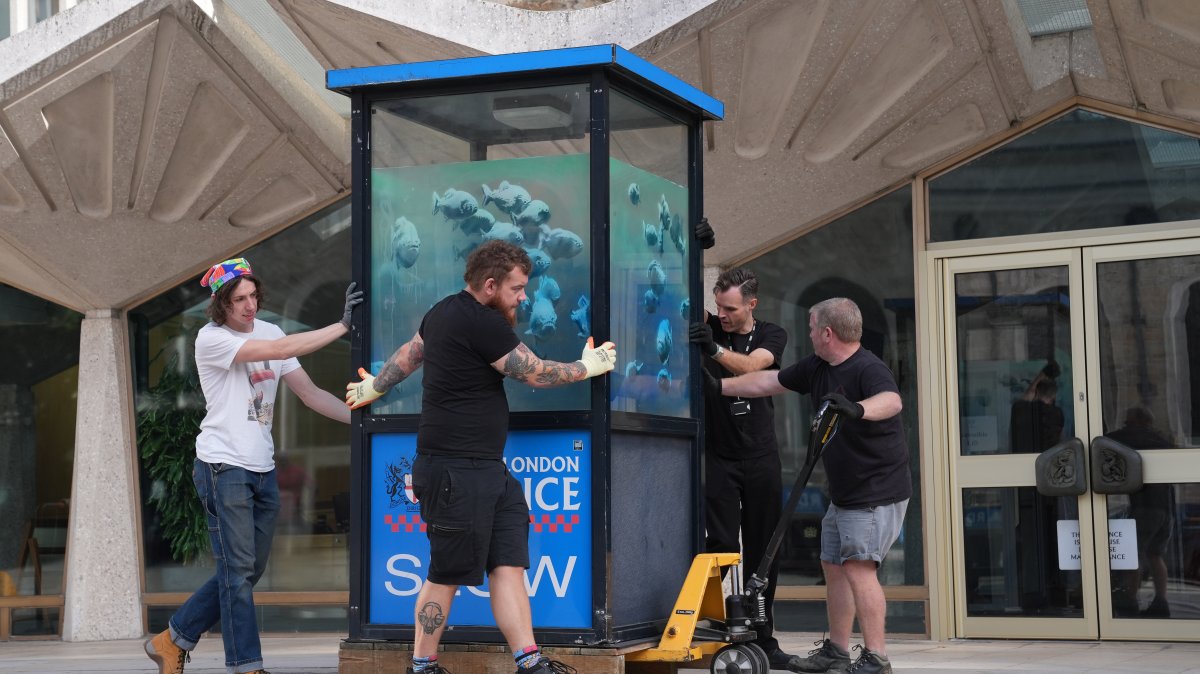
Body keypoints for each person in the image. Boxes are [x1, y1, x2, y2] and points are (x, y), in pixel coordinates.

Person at [344, 240, 616, 674]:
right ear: (490, 286)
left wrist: (378, 385)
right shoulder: (482, 322)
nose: (524, 297)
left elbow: (411, 353)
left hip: (488, 468)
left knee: (508, 564)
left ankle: (529, 662)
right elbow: (536, 373)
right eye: (518, 288)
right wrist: (590, 366)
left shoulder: (443, 311)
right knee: (446, 573)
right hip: (455, 470)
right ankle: (422, 665)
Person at [144, 257, 363, 674]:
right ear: (221, 305)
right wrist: (341, 327)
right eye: (238, 299)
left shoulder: (271, 330)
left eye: (252, 296)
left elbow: (310, 393)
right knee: (238, 570)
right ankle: (246, 665)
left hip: (262, 467)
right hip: (222, 465)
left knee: (246, 570)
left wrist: (363, 423)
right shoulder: (212, 339)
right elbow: (280, 350)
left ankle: (172, 639)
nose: (249, 305)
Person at [713, 298, 910, 674]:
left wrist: (857, 409)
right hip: (845, 491)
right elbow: (769, 380)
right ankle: (836, 651)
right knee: (833, 564)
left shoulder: (868, 367)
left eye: (810, 327)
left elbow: (892, 401)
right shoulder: (819, 366)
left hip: (874, 490)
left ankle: (876, 658)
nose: (808, 334)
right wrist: (716, 387)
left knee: (858, 568)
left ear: (827, 333)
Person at [687, 267, 796, 671]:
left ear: (752, 304)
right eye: (718, 306)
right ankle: (719, 627)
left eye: (731, 308)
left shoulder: (772, 334)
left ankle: (764, 637)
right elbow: (668, 281)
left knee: (765, 548)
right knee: (718, 545)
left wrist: (713, 351)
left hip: (762, 454)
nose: (723, 314)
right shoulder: (709, 323)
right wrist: (702, 244)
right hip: (717, 454)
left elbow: (753, 368)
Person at [1106, 407, 1174, 618]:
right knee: (1155, 554)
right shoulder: (1160, 438)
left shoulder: (1135, 436)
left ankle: (1129, 601)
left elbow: (1106, 440)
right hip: (1166, 508)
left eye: (1127, 422)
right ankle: (1161, 601)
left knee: (1132, 554)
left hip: (1147, 507)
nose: (1125, 426)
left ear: (1138, 422)